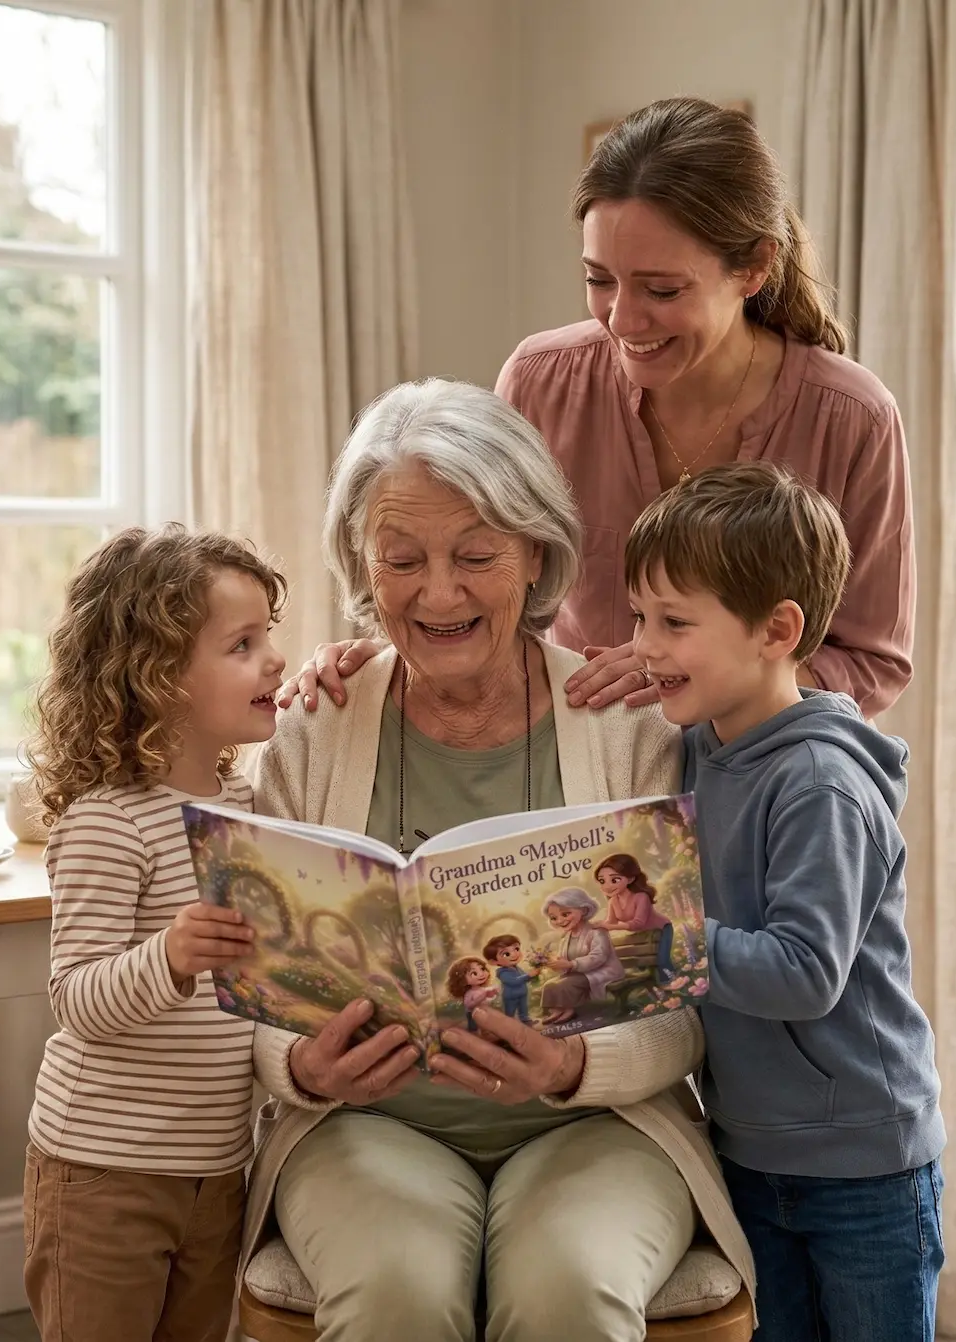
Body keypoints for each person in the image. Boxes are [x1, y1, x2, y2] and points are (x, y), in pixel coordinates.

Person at [246, 378, 755, 1341]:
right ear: (364, 563)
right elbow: (254, 995)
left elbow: (689, 1004)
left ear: (534, 554)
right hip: (367, 1129)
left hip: (599, 1125)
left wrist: (571, 1064)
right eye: (402, 559)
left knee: (568, 1289)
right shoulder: (315, 729)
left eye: (476, 555)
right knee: (396, 1290)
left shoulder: (630, 724)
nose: (439, 592)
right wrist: (306, 1068)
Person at [284, 96, 913, 723]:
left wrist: (683, 669)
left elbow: (872, 662)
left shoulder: (853, 418)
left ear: (753, 267)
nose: (623, 319)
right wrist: (382, 668)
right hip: (577, 782)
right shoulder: (540, 382)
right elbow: (481, 588)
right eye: (599, 280)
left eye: (662, 289)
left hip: (761, 781)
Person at [627, 462, 945, 1340]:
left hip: (866, 1162)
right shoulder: (697, 749)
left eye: (675, 623)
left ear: (778, 630)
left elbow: (806, 973)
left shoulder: (819, 783)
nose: (645, 647)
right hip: (751, 1148)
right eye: (639, 618)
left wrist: (663, 939)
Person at [20, 525, 287, 1342]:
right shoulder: (109, 822)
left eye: (268, 637)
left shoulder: (249, 809)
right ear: (158, 676)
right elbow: (76, 1000)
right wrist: (168, 958)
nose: (274, 660)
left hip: (216, 1168)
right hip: (103, 1171)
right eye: (243, 646)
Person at [533, 886, 621, 1025]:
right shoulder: (566, 936)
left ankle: (568, 1009)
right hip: (579, 973)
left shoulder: (596, 931)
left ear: (584, 910)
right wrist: (559, 964)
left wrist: (571, 964)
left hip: (600, 971)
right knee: (549, 985)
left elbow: (599, 957)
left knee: (567, 984)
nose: (560, 921)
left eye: (565, 914)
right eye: (554, 918)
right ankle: (556, 1010)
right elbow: (566, 960)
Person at [591, 851, 674, 982]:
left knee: (662, 961)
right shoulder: (613, 901)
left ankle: (673, 985)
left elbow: (638, 923)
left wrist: (610, 926)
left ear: (630, 879)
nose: (607, 886)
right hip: (642, 934)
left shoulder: (641, 897)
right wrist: (596, 927)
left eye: (614, 880)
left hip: (661, 930)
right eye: (602, 881)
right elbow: (610, 922)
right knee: (642, 963)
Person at [483, 933, 534, 1024]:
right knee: (510, 1012)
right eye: (506, 954)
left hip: (522, 993)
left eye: (516, 949)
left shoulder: (517, 968)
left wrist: (533, 976)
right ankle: (508, 1024)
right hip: (511, 996)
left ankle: (525, 1020)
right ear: (494, 961)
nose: (514, 954)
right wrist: (528, 976)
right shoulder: (503, 972)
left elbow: (524, 977)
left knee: (523, 1008)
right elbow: (513, 981)